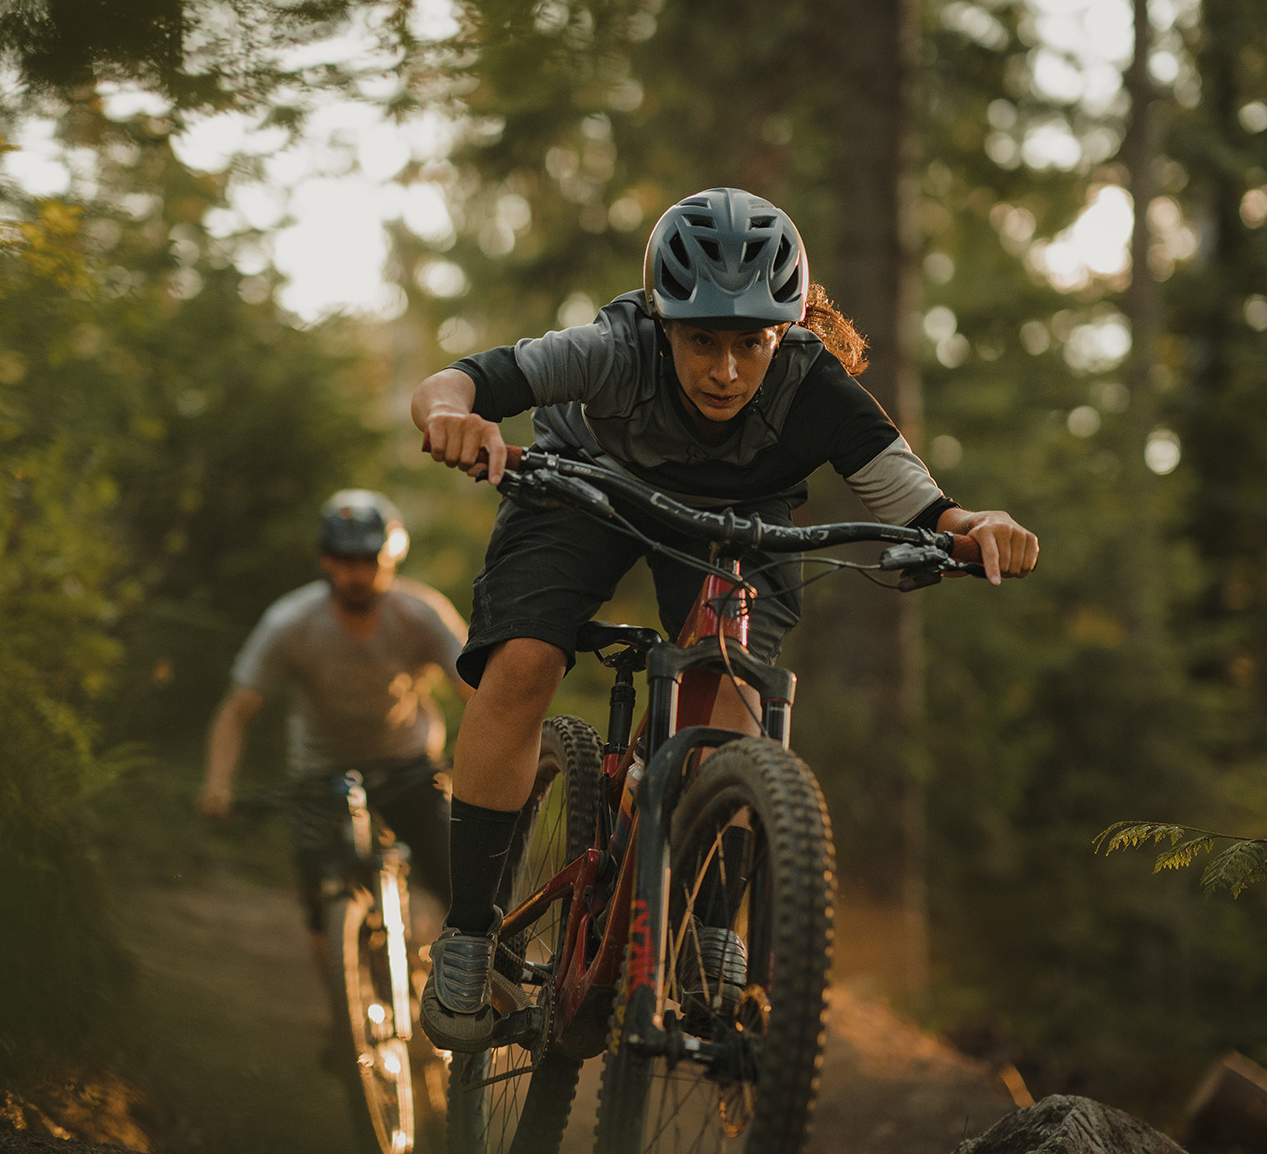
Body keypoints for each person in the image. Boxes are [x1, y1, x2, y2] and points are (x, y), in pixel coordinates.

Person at [409, 187, 1041, 1052]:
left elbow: (928, 507)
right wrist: (451, 418)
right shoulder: (611, 349)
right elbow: (462, 381)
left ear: (785, 330)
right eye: (701, 339)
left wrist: (980, 531)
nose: (726, 369)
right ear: (664, 321)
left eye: (752, 342)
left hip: (737, 517)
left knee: (737, 703)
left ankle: (712, 927)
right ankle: (471, 935)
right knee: (522, 661)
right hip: (585, 485)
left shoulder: (815, 383)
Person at [199, 489, 471, 1022]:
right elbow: (237, 710)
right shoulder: (290, 623)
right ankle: (343, 1017)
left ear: (389, 559)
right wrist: (217, 784)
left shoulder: (420, 614)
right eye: (345, 561)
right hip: (319, 774)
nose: (356, 574)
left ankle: (472, 986)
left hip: (410, 765)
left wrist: (477, 761)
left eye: (368, 561)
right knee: (319, 901)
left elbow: (478, 691)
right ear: (326, 560)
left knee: (457, 879)